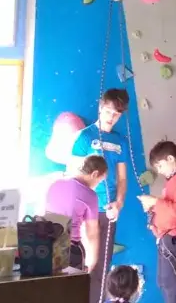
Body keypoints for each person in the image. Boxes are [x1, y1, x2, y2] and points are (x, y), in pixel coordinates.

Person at [71, 88, 132, 303]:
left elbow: (123, 179)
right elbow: (73, 175)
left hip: (108, 210)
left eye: (116, 114)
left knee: (101, 268)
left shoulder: (121, 141)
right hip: (86, 211)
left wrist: (119, 203)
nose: (111, 117)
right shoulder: (85, 136)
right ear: (100, 107)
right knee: (83, 264)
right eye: (108, 111)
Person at [137, 140, 176, 303]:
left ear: (170, 159)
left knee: (171, 285)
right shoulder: (173, 181)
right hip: (165, 237)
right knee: (163, 282)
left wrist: (155, 201)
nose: (160, 172)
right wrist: (153, 211)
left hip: (173, 238)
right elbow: (169, 209)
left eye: (160, 166)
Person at [44, 154, 107, 272]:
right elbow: (92, 232)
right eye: (100, 181)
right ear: (94, 174)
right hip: (69, 250)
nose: (98, 185)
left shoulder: (55, 184)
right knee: (70, 288)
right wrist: (93, 261)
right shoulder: (90, 195)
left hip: (43, 245)